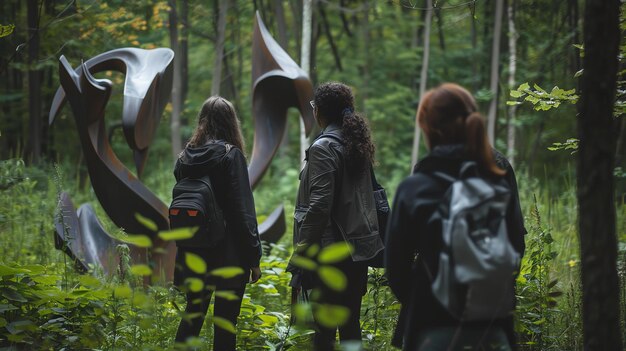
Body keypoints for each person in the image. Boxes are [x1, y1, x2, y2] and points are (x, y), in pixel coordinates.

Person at [385, 83, 527, 350]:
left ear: (430, 129)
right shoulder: (497, 175)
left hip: (432, 328)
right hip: (493, 326)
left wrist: (426, 297)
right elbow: (516, 243)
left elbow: (396, 268)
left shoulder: (416, 186)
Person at [288, 82, 384, 350]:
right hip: (357, 252)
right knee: (350, 324)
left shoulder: (323, 148)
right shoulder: (356, 144)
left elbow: (319, 205)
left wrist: (303, 252)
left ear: (319, 111)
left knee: (324, 332)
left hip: (330, 253)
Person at [173, 96, 262, 350]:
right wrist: (254, 258)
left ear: (202, 121)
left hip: (193, 251)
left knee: (192, 317)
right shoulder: (231, 156)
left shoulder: (184, 158)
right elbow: (243, 212)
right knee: (224, 324)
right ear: (231, 123)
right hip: (229, 256)